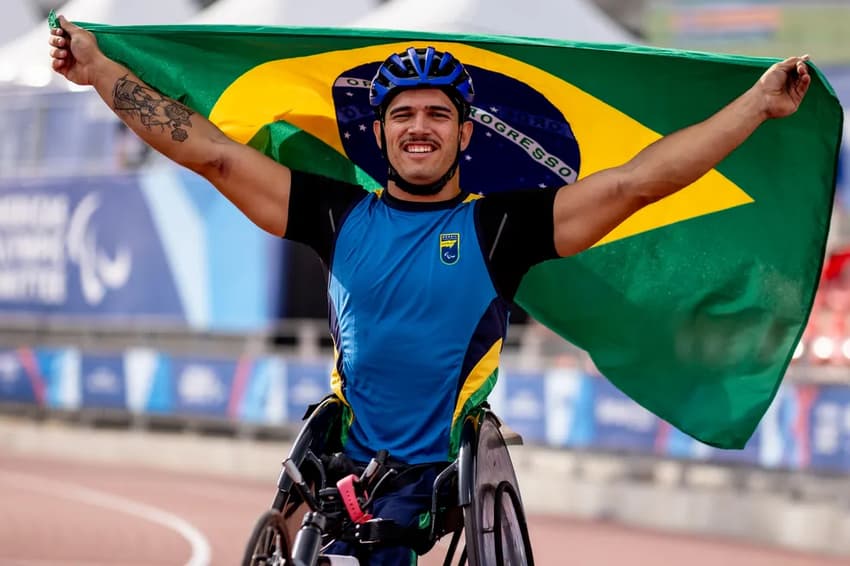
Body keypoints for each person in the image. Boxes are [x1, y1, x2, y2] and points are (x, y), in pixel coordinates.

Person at [48, 14, 811, 565]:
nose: (420, 127)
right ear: (377, 134)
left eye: (438, 115)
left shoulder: (501, 227)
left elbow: (639, 183)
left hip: (438, 477)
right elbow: (209, 153)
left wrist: (757, 105)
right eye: (403, 114)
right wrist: (100, 73)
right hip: (344, 462)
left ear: (464, 135)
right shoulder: (333, 212)